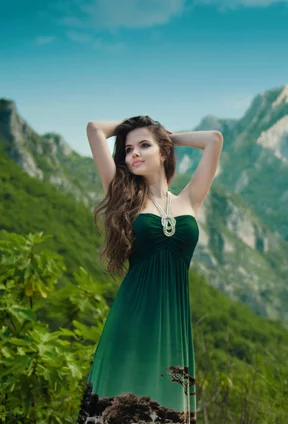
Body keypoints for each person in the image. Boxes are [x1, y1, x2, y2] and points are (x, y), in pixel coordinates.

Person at [76, 115, 223, 424]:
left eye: (144, 146)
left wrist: (168, 137)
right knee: (122, 405)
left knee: (166, 405)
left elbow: (213, 140)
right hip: (131, 318)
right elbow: (94, 129)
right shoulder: (123, 196)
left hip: (173, 321)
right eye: (128, 150)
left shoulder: (189, 201)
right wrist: (134, 127)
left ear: (164, 152)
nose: (134, 154)